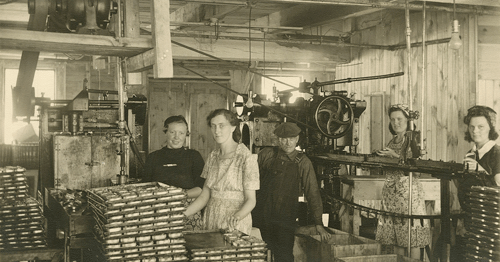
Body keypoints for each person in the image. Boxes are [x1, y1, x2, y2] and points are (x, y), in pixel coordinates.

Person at [253, 122, 330, 262]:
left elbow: (312, 192)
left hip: (285, 219)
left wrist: (318, 222)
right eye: (283, 139)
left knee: (284, 256)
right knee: (259, 255)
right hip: (261, 215)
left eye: (291, 138)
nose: (287, 143)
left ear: (297, 139)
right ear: (277, 140)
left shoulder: (303, 162)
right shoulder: (266, 155)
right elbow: (251, 183)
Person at [184, 109, 259, 235]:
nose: (216, 131)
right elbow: (204, 196)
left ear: (233, 127)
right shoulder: (213, 156)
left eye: (221, 126)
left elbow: (251, 200)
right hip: (211, 217)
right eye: (213, 126)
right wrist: (183, 214)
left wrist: (237, 217)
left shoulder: (245, 157)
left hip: (235, 220)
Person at [374, 104, 431, 259]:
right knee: (396, 239)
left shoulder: (412, 139)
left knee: (411, 239)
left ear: (408, 121)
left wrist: (395, 156)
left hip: (408, 195)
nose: (396, 122)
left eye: (399, 119)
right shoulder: (392, 141)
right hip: (392, 196)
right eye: (393, 119)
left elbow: (416, 167)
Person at [143, 115, 205, 230]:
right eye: (172, 132)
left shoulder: (194, 156)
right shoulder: (153, 157)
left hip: (189, 210)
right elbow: (145, 187)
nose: (177, 137)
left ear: (186, 134)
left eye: (181, 133)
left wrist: (180, 195)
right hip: (159, 211)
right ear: (165, 132)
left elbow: (202, 189)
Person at [462, 105, 500, 186]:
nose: (475, 131)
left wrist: (479, 171)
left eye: (480, 127)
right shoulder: (470, 154)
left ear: (491, 128)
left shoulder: (497, 154)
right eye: (472, 127)